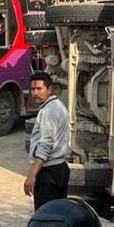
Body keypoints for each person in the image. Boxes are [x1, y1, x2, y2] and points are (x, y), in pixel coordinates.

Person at [24, 71, 71, 210]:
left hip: (49, 173)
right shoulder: (58, 106)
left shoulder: (48, 111)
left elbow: (46, 144)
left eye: (39, 89)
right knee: (58, 216)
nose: (35, 93)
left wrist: (32, 174)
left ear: (49, 89)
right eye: (33, 89)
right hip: (60, 168)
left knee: (46, 218)